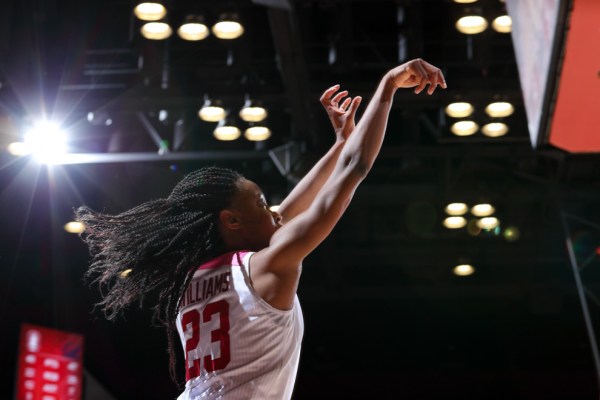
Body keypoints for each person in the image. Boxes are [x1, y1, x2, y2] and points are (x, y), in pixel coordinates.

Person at [76, 58, 446, 400]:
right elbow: (355, 169)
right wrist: (387, 86)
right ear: (231, 220)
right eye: (260, 202)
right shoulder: (268, 267)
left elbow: (284, 216)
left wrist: (339, 143)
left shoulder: (191, 280)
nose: (272, 210)